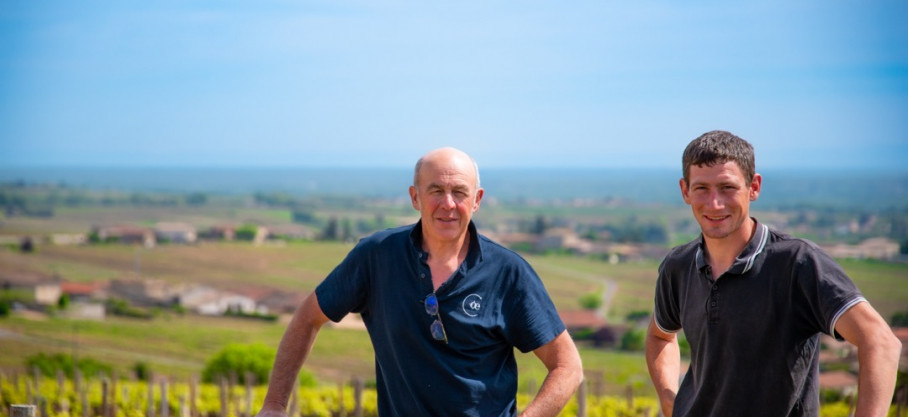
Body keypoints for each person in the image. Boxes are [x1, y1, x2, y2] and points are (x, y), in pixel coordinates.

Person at [256, 147, 583, 417]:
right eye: (436, 191)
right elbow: (308, 317)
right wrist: (274, 406)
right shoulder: (377, 256)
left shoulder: (508, 273)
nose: (448, 204)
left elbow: (568, 366)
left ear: (477, 199)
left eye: (459, 192)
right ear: (415, 197)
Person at [644, 130, 901, 417]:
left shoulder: (798, 263)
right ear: (685, 191)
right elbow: (660, 337)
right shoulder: (678, 266)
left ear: (753, 187)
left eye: (727, 187)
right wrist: (670, 400)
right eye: (702, 188)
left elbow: (880, 341)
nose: (714, 203)